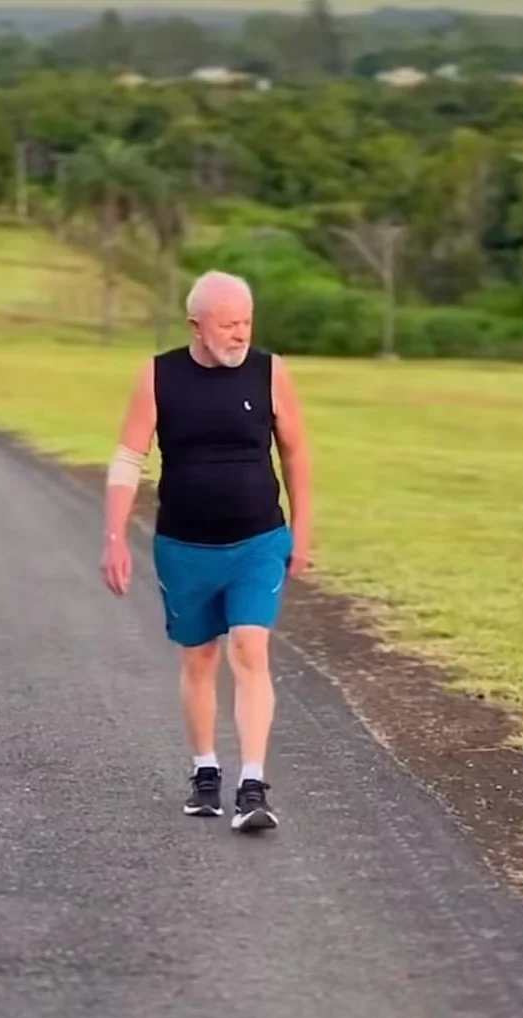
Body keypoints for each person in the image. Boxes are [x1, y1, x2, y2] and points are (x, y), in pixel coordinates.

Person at [101, 270, 312, 832]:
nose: (240, 334)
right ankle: (205, 771)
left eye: (246, 322)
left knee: (250, 648)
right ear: (197, 325)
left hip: (258, 540)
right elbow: (128, 459)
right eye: (228, 324)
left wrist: (304, 531)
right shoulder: (158, 376)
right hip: (185, 545)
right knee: (199, 658)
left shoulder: (271, 373)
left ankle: (252, 785)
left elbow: (295, 453)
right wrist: (116, 535)